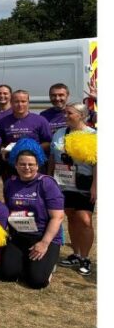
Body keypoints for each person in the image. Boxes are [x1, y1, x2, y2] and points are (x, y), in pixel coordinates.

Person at [0, 139, 64, 289]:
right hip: (19, 236)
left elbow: (57, 217)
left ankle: (48, 265)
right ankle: (27, 263)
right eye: (22, 164)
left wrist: (44, 243)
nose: (26, 168)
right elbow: (7, 209)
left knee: (36, 281)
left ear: (38, 165)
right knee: (7, 275)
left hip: (43, 237)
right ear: (15, 164)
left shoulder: (47, 183)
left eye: (31, 164)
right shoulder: (10, 183)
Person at [48, 102, 96, 276]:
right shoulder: (59, 133)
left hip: (84, 183)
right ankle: (75, 254)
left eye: (70, 113)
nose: (65, 116)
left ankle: (85, 257)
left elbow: (98, 163)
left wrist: (95, 187)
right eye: (65, 113)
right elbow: (53, 157)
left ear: (82, 115)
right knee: (71, 217)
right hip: (62, 182)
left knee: (84, 219)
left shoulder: (94, 135)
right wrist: (49, 177)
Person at [0, 90, 52, 177]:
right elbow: (1, 142)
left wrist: (28, 149)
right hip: (12, 166)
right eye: (16, 101)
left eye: (23, 101)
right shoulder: (3, 122)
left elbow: (48, 143)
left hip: (35, 166)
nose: (20, 105)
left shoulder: (40, 120)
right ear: (11, 102)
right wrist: (4, 149)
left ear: (28, 102)